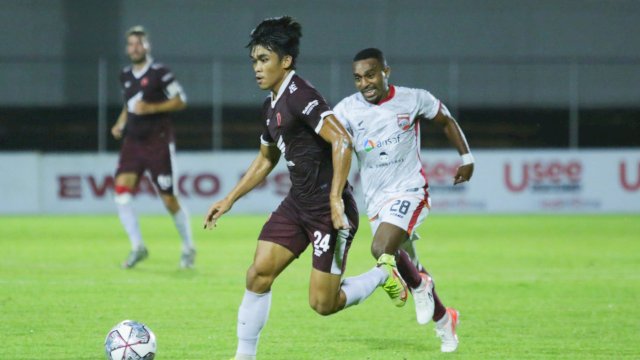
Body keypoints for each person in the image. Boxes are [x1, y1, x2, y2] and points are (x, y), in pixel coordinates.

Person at [203, 18, 406, 360]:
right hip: (297, 205)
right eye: (254, 60)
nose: (257, 68)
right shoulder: (271, 106)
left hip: (329, 214)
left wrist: (335, 199)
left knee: (322, 304)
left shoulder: (301, 95)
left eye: (264, 59)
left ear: (285, 61)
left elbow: (342, 140)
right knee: (258, 274)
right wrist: (229, 199)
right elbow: (266, 160)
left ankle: (382, 273)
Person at [333, 48, 475, 353]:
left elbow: (446, 119)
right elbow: (331, 144)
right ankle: (444, 319)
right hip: (375, 199)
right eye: (358, 78)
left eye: (370, 75)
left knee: (380, 249)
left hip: (410, 190)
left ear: (386, 72)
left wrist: (466, 157)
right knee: (404, 259)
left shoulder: (413, 99)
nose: (364, 83)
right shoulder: (346, 110)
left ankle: (421, 285)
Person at [111, 26, 195, 269]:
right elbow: (130, 105)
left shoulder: (160, 73)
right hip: (133, 144)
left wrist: (151, 108)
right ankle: (138, 247)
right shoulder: (125, 74)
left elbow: (180, 101)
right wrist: (120, 123)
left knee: (169, 200)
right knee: (122, 194)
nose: (134, 48)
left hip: (158, 143)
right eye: (131, 44)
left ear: (147, 46)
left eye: (139, 43)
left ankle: (188, 247)